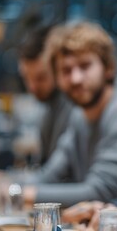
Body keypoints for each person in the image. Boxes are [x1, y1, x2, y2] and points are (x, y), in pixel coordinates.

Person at [0, 21, 117, 210]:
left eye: (85, 66)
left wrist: (5, 193)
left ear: (108, 68)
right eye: (66, 70)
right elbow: (48, 176)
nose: (76, 78)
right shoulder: (81, 115)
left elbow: (100, 192)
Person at [18, 25, 74, 166]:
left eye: (40, 78)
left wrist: (11, 186)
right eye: (26, 78)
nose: (32, 87)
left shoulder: (73, 109)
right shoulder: (48, 109)